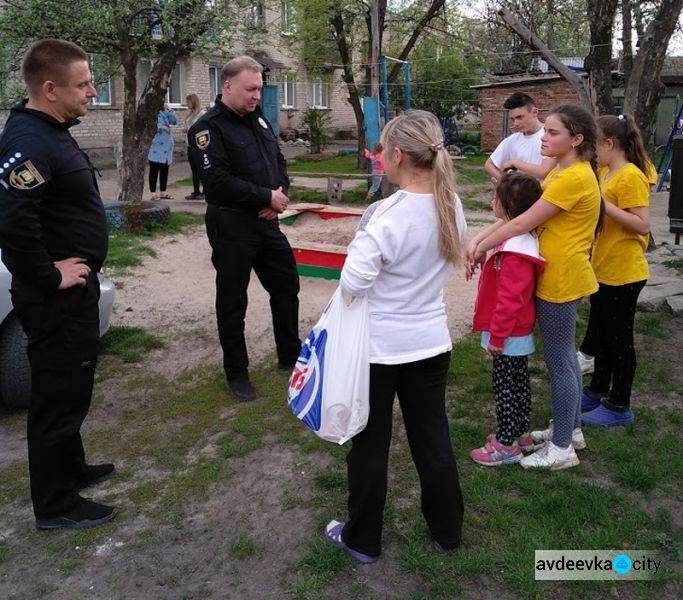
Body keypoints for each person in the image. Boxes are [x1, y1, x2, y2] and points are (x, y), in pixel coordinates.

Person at [324, 110, 466, 563]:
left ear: (398, 154)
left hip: (381, 351)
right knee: (433, 440)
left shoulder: (384, 214)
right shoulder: (452, 204)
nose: (378, 156)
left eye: (381, 149)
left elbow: (352, 284)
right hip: (430, 344)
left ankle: (363, 538)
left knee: (369, 446)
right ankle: (448, 532)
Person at [0, 39, 116, 529]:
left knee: (73, 387)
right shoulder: (30, 140)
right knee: (57, 397)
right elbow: (11, 223)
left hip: (74, 290)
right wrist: (50, 275)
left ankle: (71, 470)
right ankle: (55, 505)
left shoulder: (52, 128)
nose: (92, 91)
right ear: (50, 88)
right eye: (83, 83)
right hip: (55, 296)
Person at [467, 104, 601, 470]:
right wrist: (481, 241)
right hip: (559, 272)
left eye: (553, 132)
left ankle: (561, 450)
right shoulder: (563, 171)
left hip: (561, 278)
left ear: (576, 139)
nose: (544, 137)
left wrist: (479, 243)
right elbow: (516, 221)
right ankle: (570, 429)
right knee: (567, 360)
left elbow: (519, 222)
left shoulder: (573, 178)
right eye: (546, 131)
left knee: (560, 364)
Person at [189, 55, 301, 402]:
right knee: (233, 299)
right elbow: (217, 182)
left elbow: (278, 161)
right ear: (227, 86)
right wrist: (263, 197)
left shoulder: (259, 121)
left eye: (259, 89)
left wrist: (279, 194)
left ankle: (289, 356)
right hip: (231, 224)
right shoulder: (207, 128)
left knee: (286, 286)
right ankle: (237, 372)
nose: (256, 95)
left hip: (266, 223)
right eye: (250, 89)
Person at [578, 114, 651, 427]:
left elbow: (642, 224)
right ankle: (597, 390)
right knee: (603, 337)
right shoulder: (608, 172)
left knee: (619, 341)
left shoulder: (630, 176)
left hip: (624, 272)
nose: (593, 153)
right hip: (604, 270)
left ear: (609, 144)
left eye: (595, 146)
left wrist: (603, 205)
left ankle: (620, 405)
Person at [469, 172, 545, 467]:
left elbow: (510, 300)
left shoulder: (516, 252)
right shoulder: (516, 240)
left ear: (509, 208)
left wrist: (497, 337)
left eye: (495, 198)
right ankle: (521, 434)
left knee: (505, 387)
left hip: (508, 333)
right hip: (514, 332)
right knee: (519, 382)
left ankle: (505, 444)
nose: (492, 202)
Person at [484, 92, 556, 183]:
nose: (516, 123)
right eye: (513, 119)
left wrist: (514, 163)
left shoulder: (550, 135)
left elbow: (543, 172)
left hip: (546, 194)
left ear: (535, 112)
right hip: (519, 195)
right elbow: (489, 164)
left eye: (520, 117)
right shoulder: (512, 140)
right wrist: (506, 183)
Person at [148, 103, 177, 200]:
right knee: (154, 170)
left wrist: (170, 110)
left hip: (166, 147)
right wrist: (163, 127)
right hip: (156, 146)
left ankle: (163, 192)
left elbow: (174, 121)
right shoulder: (152, 112)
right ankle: (153, 193)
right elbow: (151, 124)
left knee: (164, 170)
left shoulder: (166, 112)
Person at [183, 93, 206, 200]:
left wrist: (191, 130)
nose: (187, 104)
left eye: (188, 101)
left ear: (194, 102)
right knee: (194, 170)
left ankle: (205, 191)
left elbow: (204, 129)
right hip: (190, 145)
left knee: (202, 169)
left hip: (199, 146)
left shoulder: (201, 114)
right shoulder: (190, 114)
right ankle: (196, 191)